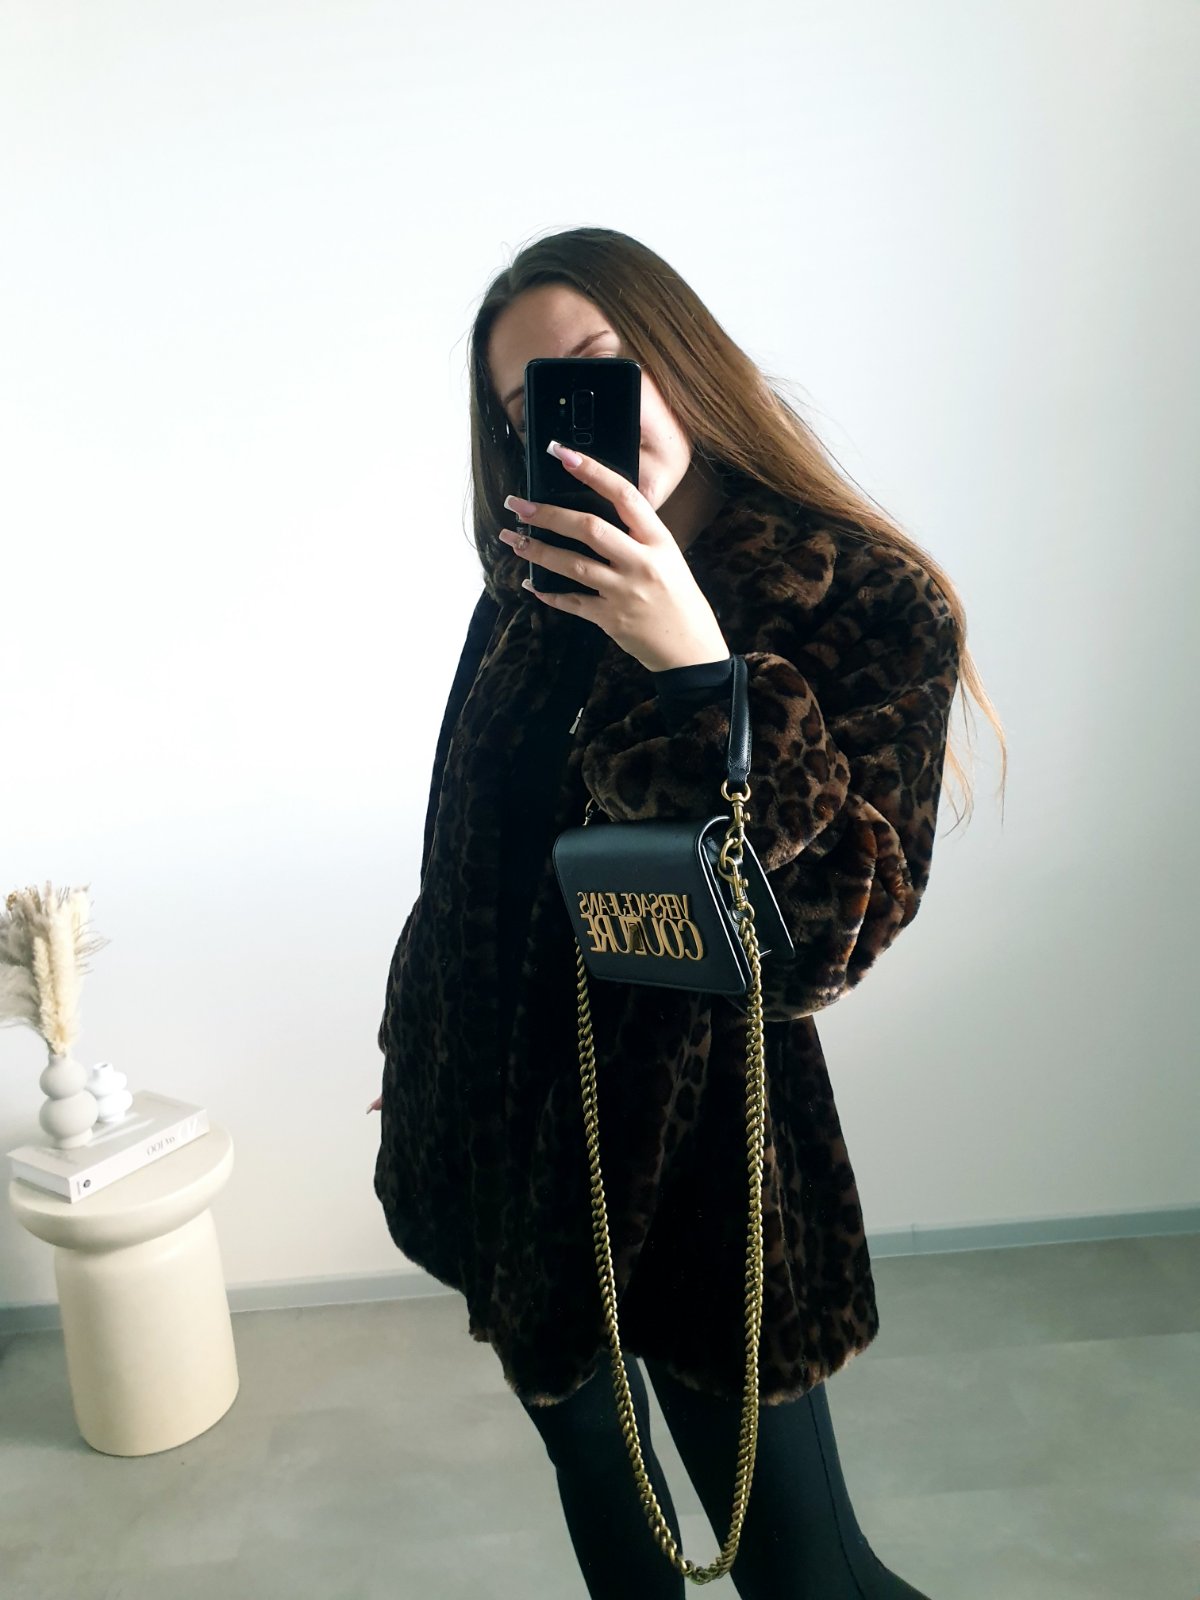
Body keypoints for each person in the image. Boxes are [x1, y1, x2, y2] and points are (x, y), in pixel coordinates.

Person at [369, 227, 1006, 1598]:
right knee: (608, 1508)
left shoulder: (861, 596)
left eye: (602, 364)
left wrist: (700, 676)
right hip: (512, 1149)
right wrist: (425, 1052)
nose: (575, 414)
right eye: (531, 402)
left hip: (705, 1163)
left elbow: (828, 934)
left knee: (804, 1573)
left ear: (681, 349)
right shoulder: (529, 592)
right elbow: (463, 866)